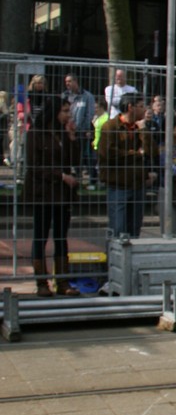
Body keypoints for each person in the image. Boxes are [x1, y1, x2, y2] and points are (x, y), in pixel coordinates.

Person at [24, 95, 81, 297]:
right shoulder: (35, 134)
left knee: (61, 236)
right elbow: (34, 166)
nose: (68, 115)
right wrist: (61, 176)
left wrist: (72, 139)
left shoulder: (63, 134)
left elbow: (74, 160)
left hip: (62, 195)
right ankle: (42, 282)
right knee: (40, 236)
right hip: (43, 193)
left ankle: (62, 282)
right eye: (64, 111)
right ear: (54, 112)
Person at [98, 94, 157, 239]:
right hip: (118, 184)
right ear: (130, 107)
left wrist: (144, 131)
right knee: (118, 229)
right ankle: (114, 254)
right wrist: (136, 154)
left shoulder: (139, 127)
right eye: (141, 106)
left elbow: (152, 152)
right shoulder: (110, 126)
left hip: (137, 185)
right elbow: (108, 153)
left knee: (134, 230)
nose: (144, 110)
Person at [62, 73, 96, 184]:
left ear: (76, 81)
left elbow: (90, 114)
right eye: (66, 82)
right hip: (67, 131)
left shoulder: (87, 96)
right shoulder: (64, 96)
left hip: (82, 132)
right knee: (68, 154)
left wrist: (82, 127)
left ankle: (91, 179)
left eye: (69, 81)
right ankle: (74, 177)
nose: (67, 84)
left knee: (84, 155)